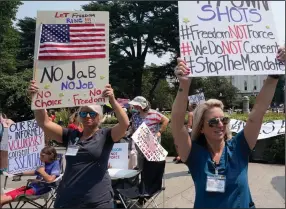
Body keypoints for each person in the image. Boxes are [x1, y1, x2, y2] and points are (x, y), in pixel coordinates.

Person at [170, 45, 285, 208]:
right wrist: (184, 85)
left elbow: (257, 112)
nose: (220, 124)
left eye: (223, 119)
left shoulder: (239, 147)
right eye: (212, 121)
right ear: (201, 127)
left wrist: (274, 74)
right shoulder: (193, 153)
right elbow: (176, 122)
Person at [28, 81, 129, 208]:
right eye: (83, 113)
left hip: (97, 200)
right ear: (79, 116)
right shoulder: (71, 135)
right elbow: (44, 123)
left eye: (92, 113)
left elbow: (124, 124)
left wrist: (113, 100)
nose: (87, 116)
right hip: (68, 198)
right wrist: (37, 98)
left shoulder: (106, 135)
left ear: (100, 117)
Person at [129, 96, 169, 170]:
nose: (135, 106)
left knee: (151, 167)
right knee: (141, 165)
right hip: (140, 143)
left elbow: (166, 120)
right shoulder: (135, 116)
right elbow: (133, 128)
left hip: (151, 143)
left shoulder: (154, 113)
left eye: (136, 105)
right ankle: (142, 179)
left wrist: (159, 132)